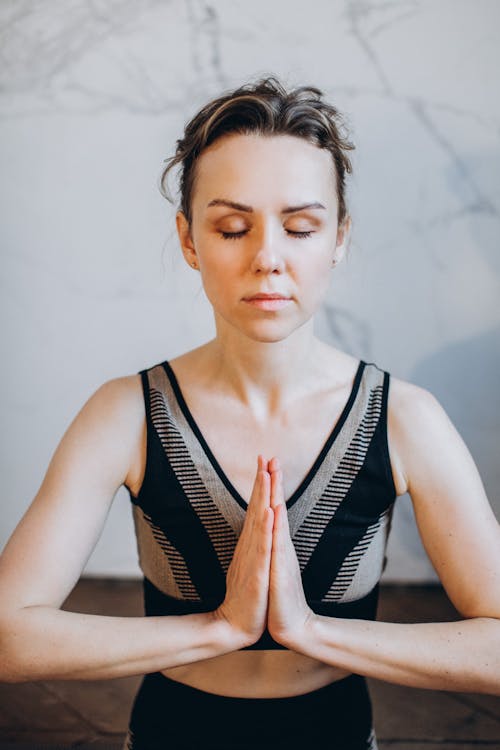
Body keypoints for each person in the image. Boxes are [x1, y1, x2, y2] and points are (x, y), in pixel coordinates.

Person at [0, 76, 499, 750]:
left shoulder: (406, 418)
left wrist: (312, 631)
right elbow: (9, 636)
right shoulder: (125, 413)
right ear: (188, 240)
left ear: (339, 238)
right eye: (233, 227)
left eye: (300, 227)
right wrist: (221, 628)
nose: (267, 258)